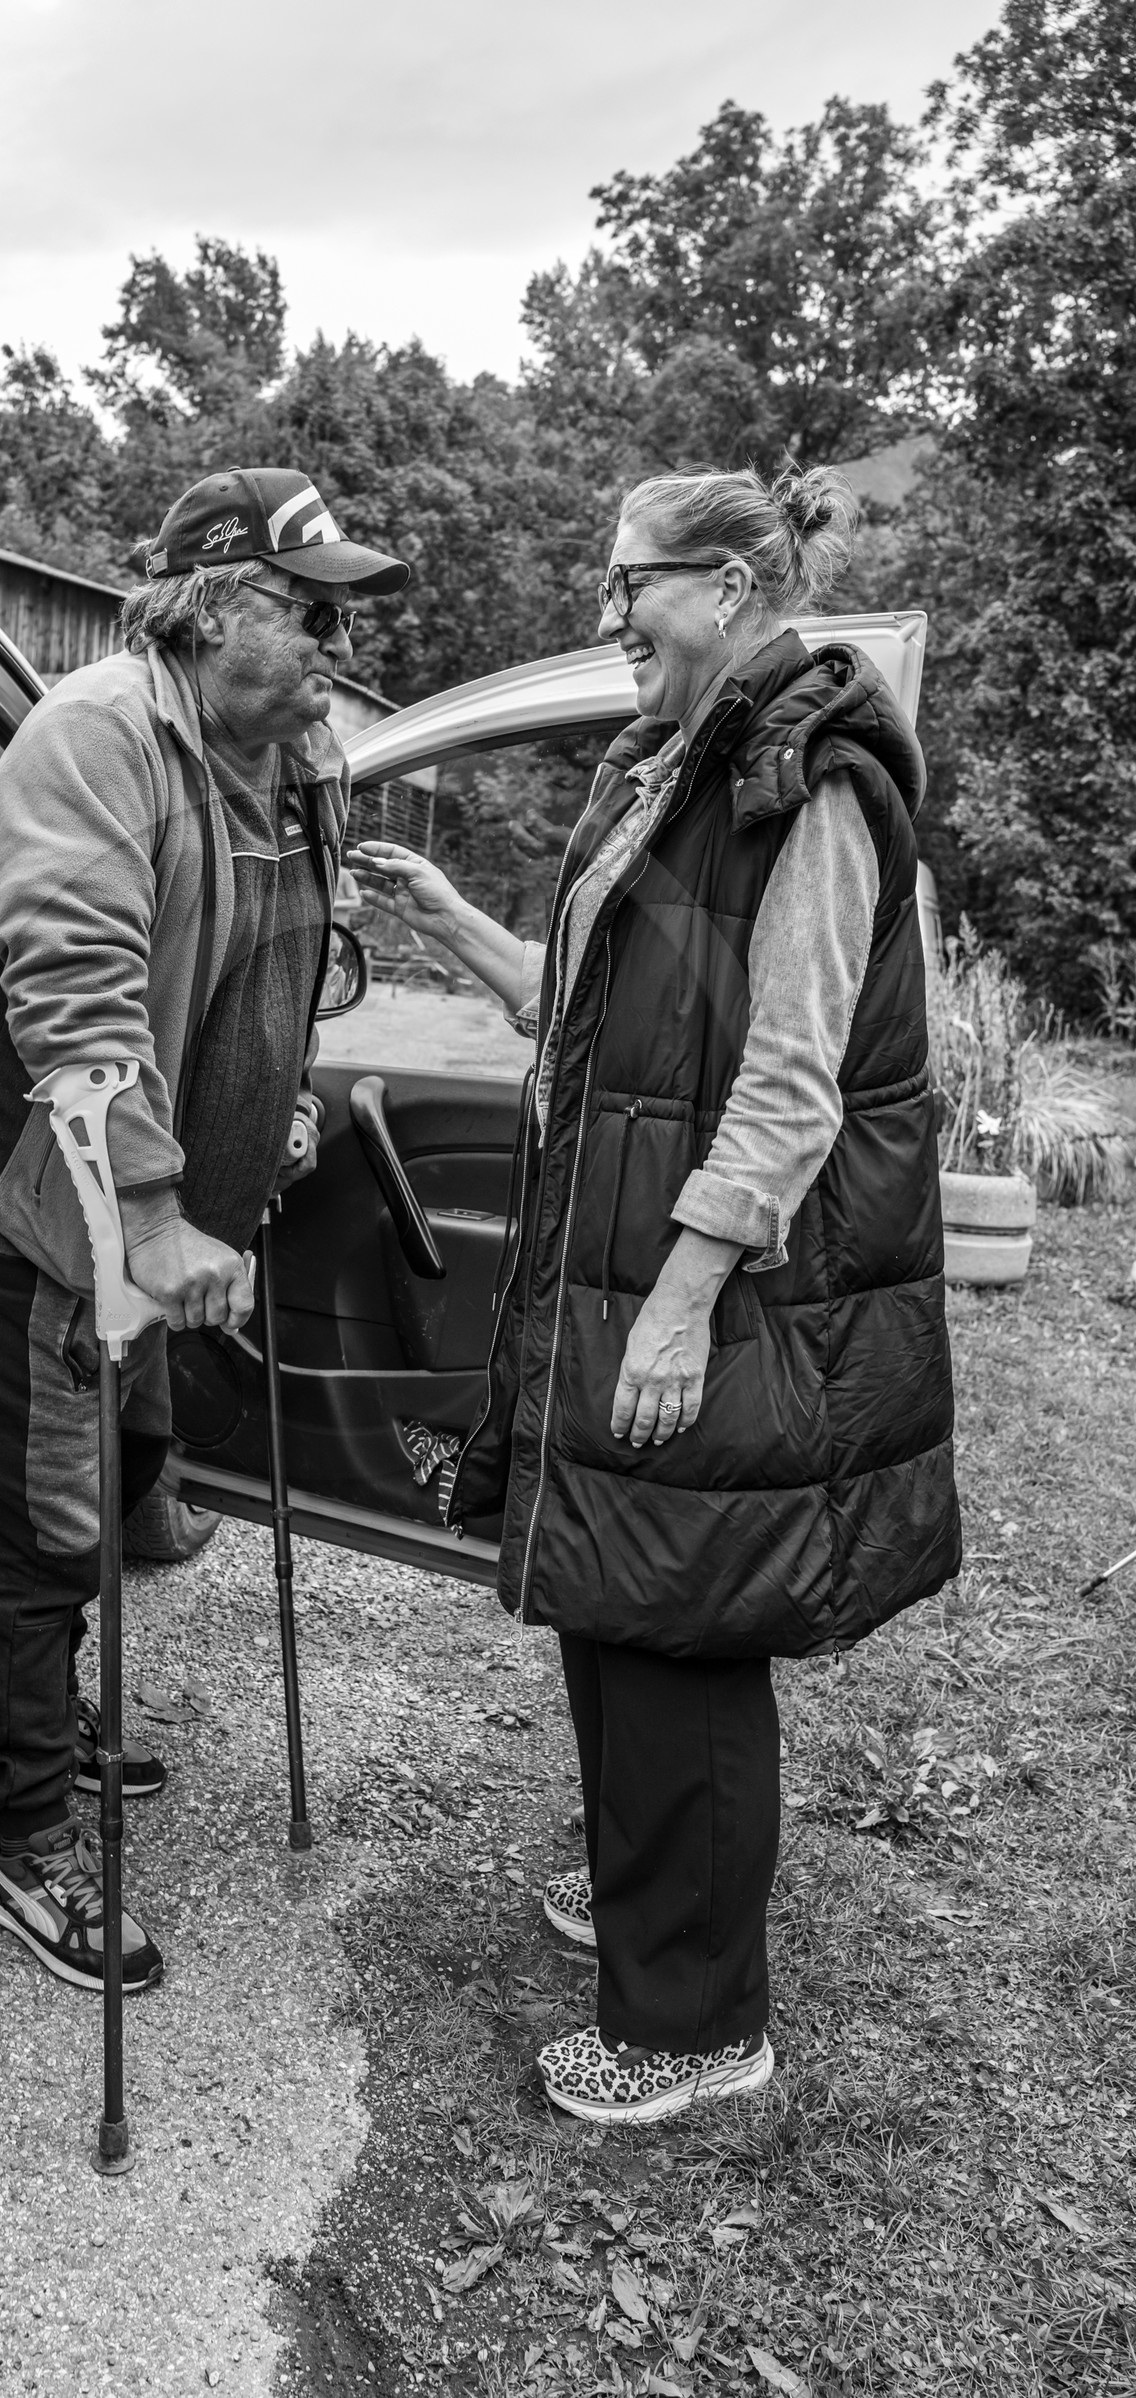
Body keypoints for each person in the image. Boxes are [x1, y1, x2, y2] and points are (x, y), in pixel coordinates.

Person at [353, 463, 960, 2128]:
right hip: (630, 1260)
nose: (611, 612)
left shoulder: (809, 785)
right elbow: (590, 1014)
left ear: (737, 586)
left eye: (636, 583)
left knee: (684, 1625)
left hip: (723, 1277)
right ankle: (642, 1900)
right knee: (621, 1607)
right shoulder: (679, 763)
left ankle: (695, 2025)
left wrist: (686, 1296)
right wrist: (449, 917)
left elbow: (790, 1082)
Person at [0, 468, 409, 1992]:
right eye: (304, 607)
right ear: (207, 606)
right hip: (49, 1210)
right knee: (46, 1530)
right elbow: (76, 988)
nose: (333, 641)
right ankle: (26, 1843)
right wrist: (147, 1206)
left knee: (121, 1478)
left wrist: (280, 1111)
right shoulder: (97, 734)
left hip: (176, 1217)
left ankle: (52, 1724)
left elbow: (271, 973)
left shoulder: (293, 760)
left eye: (339, 613)